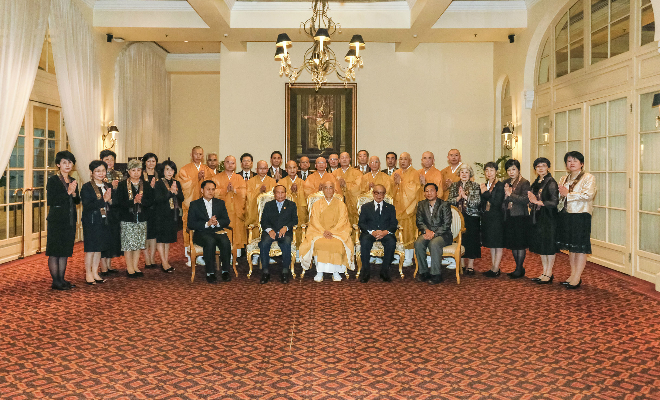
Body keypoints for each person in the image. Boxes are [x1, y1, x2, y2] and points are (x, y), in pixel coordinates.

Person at [557, 151, 597, 289]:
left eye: (575, 160)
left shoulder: (588, 177)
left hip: (581, 215)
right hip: (566, 215)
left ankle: (577, 277)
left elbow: (588, 195)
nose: (572, 163)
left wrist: (568, 194)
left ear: (582, 163)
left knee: (579, 247)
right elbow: (560, 197)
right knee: (571, 247)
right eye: (569, 161)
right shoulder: (564, 178)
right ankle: (573, 275)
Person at [299, 181, 354, 282]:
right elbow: (314, 221)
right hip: (319, 232)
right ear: (322, 190)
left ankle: (335, 271)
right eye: (326, 188)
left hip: (337, 232)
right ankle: (319, 271)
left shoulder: (341, 205)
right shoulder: (316, 204)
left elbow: (343, 221)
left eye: (330, 187)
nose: (328, 190)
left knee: (337, 243)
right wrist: (323, 231)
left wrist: (332, 232)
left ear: (334, 190)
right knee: (319, 242)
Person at [46, 151, 80, 290]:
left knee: (65, 251)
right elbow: (52, 200)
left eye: (70, 162)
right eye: (64, 162)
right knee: (55, 251)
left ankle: (62, 279)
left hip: (69, 220)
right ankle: (56, 281)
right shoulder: (53, 180)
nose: (67, 165)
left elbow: (77, 201)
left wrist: (74, 193)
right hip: (56, 220)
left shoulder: (72, 180)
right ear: (58, 164)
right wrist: (67, 192)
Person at [187, 180, 232, 284]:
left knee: (225, 242)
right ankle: (210, 273)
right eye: (208, 189)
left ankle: (225, 271)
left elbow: (226, 220)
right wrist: (207, 224)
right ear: (202, 190)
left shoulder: (220, 203)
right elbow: (191, 224)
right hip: (201, 233)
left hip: (217, 231)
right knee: (210, 241)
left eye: (213, 189)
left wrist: (217, 223)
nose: (211, 192)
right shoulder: (195, 204)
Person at [177, 146, 214, 266]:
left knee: (204, 228)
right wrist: (196, 179)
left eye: (200, 154)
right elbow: (183, 186)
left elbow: (213, 185)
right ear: (191, 155)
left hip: (205, 206)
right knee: (189, 229)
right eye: (196, 154)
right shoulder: (184, 169)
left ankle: (202, 255)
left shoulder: (207, 170)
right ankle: (189, 256)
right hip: (190, 205)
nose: (198, 156)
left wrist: (204, 179)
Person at [117, 159, 155, 277]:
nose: (136, 173)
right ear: (128, 171)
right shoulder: (122, 185)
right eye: (133, 170)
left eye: (138, 170)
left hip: (142, 218)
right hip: (127, 218)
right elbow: (119, 202)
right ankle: (129, 268)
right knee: (128, 244)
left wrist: (141, 201)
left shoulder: (145, 185)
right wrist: (133, 201)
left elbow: (151, 201)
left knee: (138, 243)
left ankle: (135, 266)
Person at [526, 157, 559, 284]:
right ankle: (544, 272)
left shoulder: (551, 182)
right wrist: (531, 202)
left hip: (549, 217)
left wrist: (537, 202)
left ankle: (549, 273)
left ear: (548, 167)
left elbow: (554, 202)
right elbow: (531, 199)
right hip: (538, 216)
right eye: (538, 166)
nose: (541, 168)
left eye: (543, 166)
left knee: (548, 246)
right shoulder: (537, 182)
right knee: (542, 246)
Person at [358, 184, 398, 283]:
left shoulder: (390, 208)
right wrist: (372, 232)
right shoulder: (365, 207)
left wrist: (385, 232)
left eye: (381, 193)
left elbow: (394, 224)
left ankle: (385, 271)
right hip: (370, 233)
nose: (379, 195)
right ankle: (365, 272)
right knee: (365, 241)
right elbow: (361, 223)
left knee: (391, 242)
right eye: (377, 193)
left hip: (385, 233)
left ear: (384, 194)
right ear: (373, 194)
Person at [81, 160, 113, 285]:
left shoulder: (107, 186)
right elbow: (87, 205)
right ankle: (88, 273)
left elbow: (112, 203)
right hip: (91, 221)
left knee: (99, 248)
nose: (101, 173)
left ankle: (95, 272)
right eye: (97, 171)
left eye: (103, 170)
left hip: (104, 220)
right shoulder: (87, 187)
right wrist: (103, 200)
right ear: (92, 172)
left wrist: (110, 201)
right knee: (91, 249)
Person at [259, 185, 298, 284]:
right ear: (274, 194)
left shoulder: (291, 205)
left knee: (286, 242)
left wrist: (286, 227)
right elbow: (263, 221)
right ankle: (265, 272)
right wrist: (269, 230)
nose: (280, 195)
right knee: (264, 243)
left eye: (282, 192)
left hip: (285, 232)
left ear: (286, 193)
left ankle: (285, 271)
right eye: (278, 192)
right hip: (270, 232)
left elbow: (295, 220)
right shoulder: (268, 205)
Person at [415, 183, 452, 284]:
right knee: (418, 243)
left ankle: (436, 274)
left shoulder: (444, 205)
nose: (429, 193)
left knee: (434, 243)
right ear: (424, 193)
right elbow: (419, 221)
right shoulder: (421, 204)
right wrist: (426, 231)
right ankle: (423, 272)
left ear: (436, 192)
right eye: (427, 191)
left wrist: (434, 233)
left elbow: (446, 224)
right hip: (427, 232)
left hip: (443, 235)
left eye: (431, 191)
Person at [448, 164, 481, 274]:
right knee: (460, 240)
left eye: (467, 172)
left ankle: (470, 266)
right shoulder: (454, 185)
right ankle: (461, 264)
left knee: (472, 241)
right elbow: (449, 201)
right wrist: (458, 197)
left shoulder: (475, 185)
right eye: (462, 172)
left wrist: (465, 197)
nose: (464, 174)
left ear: (470, 174)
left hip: (472, 217)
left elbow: (477, 202)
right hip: (457, 217)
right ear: (459, 174)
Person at [213, 155, 247, 255]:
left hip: (236, 211)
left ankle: (236, 256)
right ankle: (223, 255)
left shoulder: (239, 178)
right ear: (224, 163)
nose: (230, 165)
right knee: (224, 233)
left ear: (235, 165)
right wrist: (225, 190)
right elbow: (213, 192)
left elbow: (244, 193)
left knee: (237, 232)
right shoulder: (216, 178)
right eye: (228, 162)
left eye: (232, 163)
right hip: (223, 211)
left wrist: (235, 190)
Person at [502, 159, 531, 279]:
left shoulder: (524, 182)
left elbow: (525, 199)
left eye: (513, 169)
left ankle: (519, 268)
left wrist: (510, 194)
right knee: (513, 243)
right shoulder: (506, 182)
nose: (511, 172)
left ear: (518, 170)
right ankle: (517, 268)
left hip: (520, 216)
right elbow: (502, 199)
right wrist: (505, 196)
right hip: (509, 215)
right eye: (509, 170)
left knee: (520, 244)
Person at [153, 160, 184, 273]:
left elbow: (182, 198)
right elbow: (158, 199)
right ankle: (164, 262)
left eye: (172, 170)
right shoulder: (159, 183)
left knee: (168, 240)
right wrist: (170, 192)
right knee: (161, 239)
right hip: (161, 214)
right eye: (167, 169)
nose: (170, 172)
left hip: (172, 214)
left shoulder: (176, 182)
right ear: (163, 171)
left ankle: (165, 261)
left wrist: (176, 192)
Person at [393, 152, 420, 267]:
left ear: (410, 161)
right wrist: (395, 184)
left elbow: (414, 189)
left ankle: (408, 258)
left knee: (408, 233)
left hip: (408, 209)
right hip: (396, 208)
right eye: (401, 159)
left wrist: (401, 182)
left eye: (405, 159)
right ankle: (397, 256)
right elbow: (390, 189)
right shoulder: (396, 172)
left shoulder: (414, 173)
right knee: (396, 233)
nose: (402, 161)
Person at [480, 162, 505, 277]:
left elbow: (497, 202)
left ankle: (496, 268)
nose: (489, 173)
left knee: (498, 243)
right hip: (487, 217)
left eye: (491, 170)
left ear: (496, 172)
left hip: (497, 217)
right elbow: (482, 202)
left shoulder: (500, 185)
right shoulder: (485, 184)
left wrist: (485, 192)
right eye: (487, 170)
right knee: (491, 243)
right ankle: (493, 266)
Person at [100, 149, 123, 275]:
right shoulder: (99, 174)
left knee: (113, 237)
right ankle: (103, 267)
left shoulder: (119, 174)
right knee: (104, 237)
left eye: (112, 159)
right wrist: (112, 188)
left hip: (115, 209)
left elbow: (123, 192)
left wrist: (116, 189)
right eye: (106, 159)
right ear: (101, 161)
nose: (109, 162)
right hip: (104, 209)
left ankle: (109, 265)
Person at [280, 160, 308, 243]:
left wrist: (297, 193)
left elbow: (307, 198)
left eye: (294, 167)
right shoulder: (281, 182)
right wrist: (290, 191)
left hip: (300, 210)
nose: (292, 170)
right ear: (286, 169)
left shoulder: (303, 182)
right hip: (286, 212)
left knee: (300, 229)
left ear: (297, 169)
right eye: (290, 168)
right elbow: (279, 197)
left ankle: (299, 249)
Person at [333, 152, 363, 226]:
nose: (344, 159)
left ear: (350, 159)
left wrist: (345, 185)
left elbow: (358, 187)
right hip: (338, 203)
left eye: (346, 157)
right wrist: (338, 185)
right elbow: (331, 188)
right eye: (342, 158)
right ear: (339, 160)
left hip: (352, 203)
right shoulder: (334, 173)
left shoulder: (357, 172)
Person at [246, 160, 277, 230]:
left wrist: (266, 193)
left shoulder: (272, 181)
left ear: (268, 169)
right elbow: (248, 197)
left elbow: (275, 196)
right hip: (255, 212)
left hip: (269, 212)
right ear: (256, 169)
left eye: (265, 168)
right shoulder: (250, 181)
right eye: (260, 168)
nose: (263, 171)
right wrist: (259, 191)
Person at [141, 153, 159, 269]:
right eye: (148, 161)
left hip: (156, 208)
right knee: (145, 234)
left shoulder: (159, 175)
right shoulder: (141, 175)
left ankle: (152, 258)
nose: (151, 163)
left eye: (153, 161)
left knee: (153, 234)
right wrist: (151, 188)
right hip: (144, 207)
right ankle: (146, 258)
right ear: (145, 163)